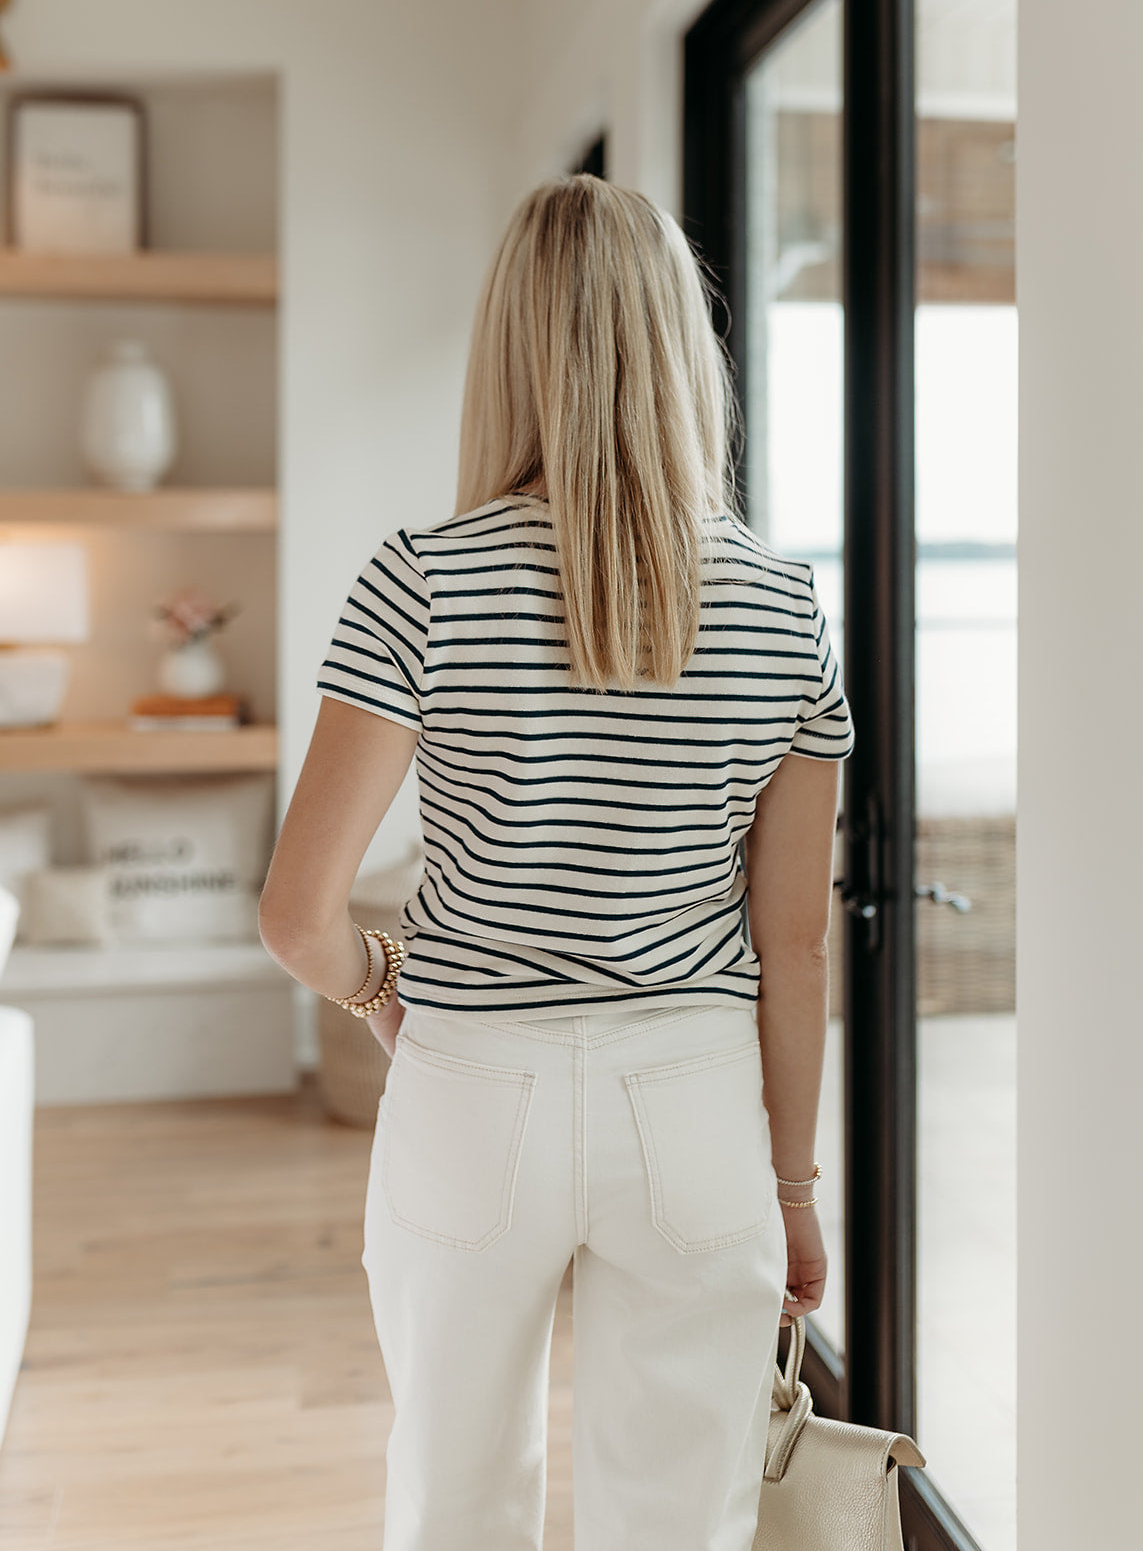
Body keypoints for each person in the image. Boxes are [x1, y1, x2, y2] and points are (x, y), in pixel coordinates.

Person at [258, 172, 855, 1551]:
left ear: (509, 348)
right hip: (696, 1103)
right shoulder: (783, 602)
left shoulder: (422, 578)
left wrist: (380, 995)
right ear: (676, 345)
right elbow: (798, 943)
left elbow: (300, 919)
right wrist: (795, 1187)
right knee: (680, 1515)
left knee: (456, 1502)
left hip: (475, 1086)